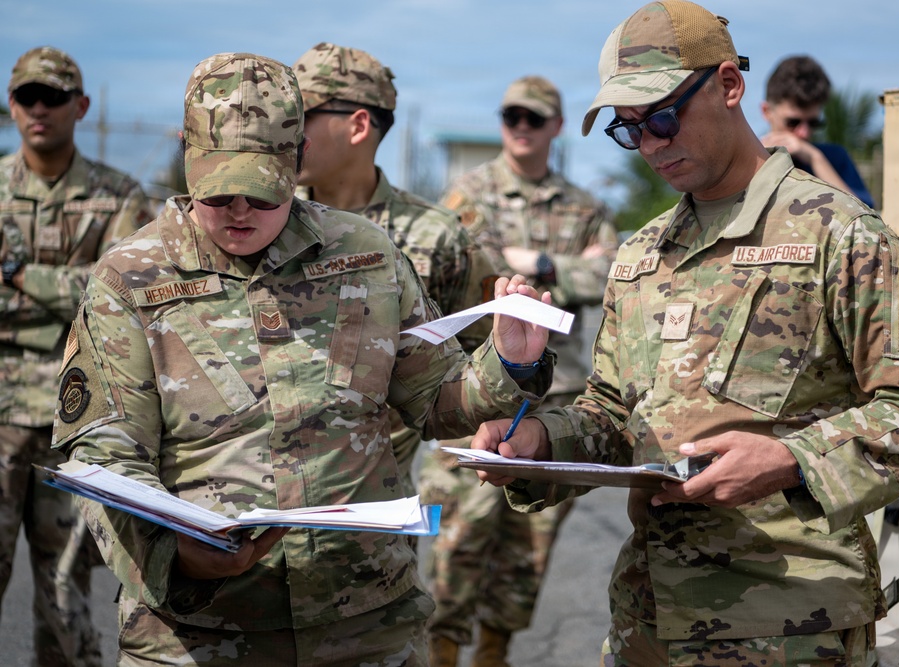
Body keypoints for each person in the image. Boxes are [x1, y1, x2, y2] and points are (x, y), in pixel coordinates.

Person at [470, 2, 899, 665]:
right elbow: (616, 415)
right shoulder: (642, 255)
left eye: (662, 118)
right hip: (646, 622)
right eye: (629, 131)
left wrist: (794, 459)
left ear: (730, 86)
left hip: (790, 626)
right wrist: (540, 440)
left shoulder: (840, 234)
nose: (650, 145)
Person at [51, 51, 553, 667]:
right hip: (196, 633)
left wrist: (508, 363)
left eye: (261, 194)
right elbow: (104, 453)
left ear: (296, 161)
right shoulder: (130, 277)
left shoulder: (367, 255)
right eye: (219, 191)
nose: (239, 211)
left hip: (366, 623)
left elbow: (438, 402)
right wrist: (170, 552)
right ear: (186, 152)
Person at [419, 75, 619, 666]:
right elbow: (454, 277)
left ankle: (494, 654)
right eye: (512, 117)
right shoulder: (465, 198)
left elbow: (611, 275)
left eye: (535, 118)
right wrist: (551, 273)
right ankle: (444, 652)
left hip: (556, 399)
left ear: (557, 126)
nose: (522, 128)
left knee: (528, 550)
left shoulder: (585, 208)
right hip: (475, 393)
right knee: (457, 544)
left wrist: (544, 263)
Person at [0, 46, 153, 666]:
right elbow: (84, 293)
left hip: (78, 415)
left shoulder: (120, 197)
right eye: (28, 96)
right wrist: (65, 289)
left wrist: (13, 274)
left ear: (80, 106)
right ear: (12, 106)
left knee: (66, 594)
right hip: (3, 410)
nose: (40, 109)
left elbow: (115, 300)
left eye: (54, 97)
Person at [292, 42, 497, 498]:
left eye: (299, 114)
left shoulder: (436, 234)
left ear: (358, 125)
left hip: (372, 504)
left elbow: (479, 354)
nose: (280, 129)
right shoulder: (264, 225)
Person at [760, 55, 876, 208]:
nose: (804, 133)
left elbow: (865, 219)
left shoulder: (834, 157)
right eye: (793, 122)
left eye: (814, 123)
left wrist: (815, 158)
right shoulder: (751, 157)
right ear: (767, 112)